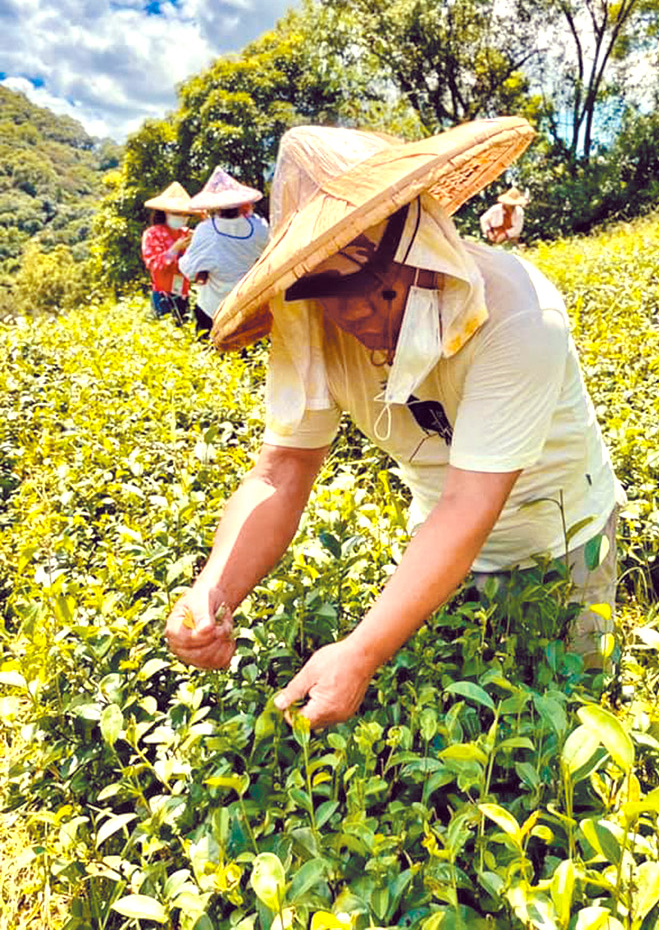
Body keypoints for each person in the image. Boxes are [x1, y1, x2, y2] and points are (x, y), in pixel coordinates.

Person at [164, 119, 624, 729]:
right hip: (435, 552)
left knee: (570, 718)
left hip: (563, 539)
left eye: (372, 279)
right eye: (324, 287)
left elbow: (470, 504)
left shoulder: (517, 313)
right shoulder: (318, 330)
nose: (351, 311)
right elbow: (283, 471)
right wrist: (213, 590)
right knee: (467, 723)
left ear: (416, 243)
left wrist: (361, 652)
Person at [177, 167, 269, 334]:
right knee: (248, 357)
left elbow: (189, 270)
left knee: (212, 356)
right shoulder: (259, 227)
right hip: (248, 303)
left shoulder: (206, 230)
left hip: (212, 306)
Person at [141, 182, 193, 322]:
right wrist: (175, 249)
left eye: (185, 214)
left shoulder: (187, 234)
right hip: (162, 294)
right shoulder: (152, 234)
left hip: (183, 293)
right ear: (164, 213)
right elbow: (154, 264)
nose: (182, 217)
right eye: (176, 213)